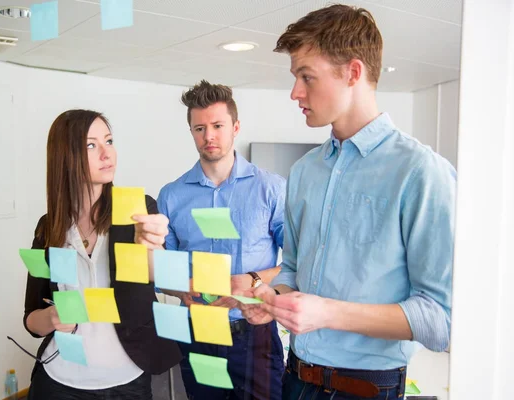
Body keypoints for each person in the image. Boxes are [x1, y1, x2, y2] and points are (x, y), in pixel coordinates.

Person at [237, 5, 456, 400]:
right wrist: (276, 301)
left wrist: (325, 312)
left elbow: (441, 319)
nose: (295, 93)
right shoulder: (304, 171)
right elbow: (291, 269)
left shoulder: (421, 171)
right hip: (295, 377)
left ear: (353, 73)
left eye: (307, 77)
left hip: (367, 387)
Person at [22, 109, 181, 399]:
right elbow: (31, 318)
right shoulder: (50, 228)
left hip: (126, 381)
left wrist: (153, 246)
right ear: (65, 156)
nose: (107, 153)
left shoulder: (136, 209)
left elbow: (160, 275)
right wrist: (51, 318)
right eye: (91, 145)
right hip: (59, 380)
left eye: (109, 141)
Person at [157, 80, 286, 400]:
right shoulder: (171, 195)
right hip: (198, 330)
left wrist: (253, 280)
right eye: (199, 128)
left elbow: (300, 263)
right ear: (191, 132)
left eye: (217, 125)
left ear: (235, 127)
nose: (209, 136)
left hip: (255, 333)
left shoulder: (271, 189)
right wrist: (182, 288)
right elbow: (161, 270)